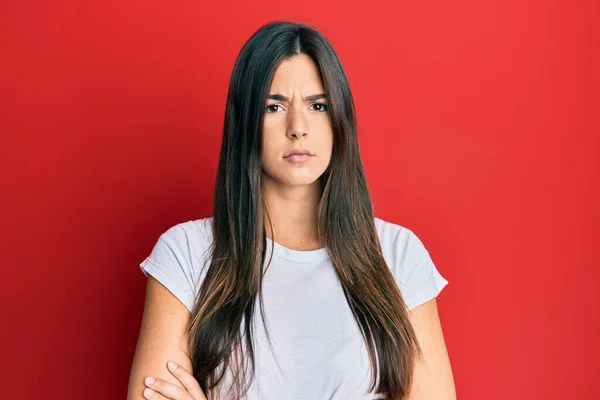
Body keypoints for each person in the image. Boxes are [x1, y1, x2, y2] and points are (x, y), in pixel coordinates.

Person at [127, 20, 456, 400]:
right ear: (246, 121)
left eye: (318, 105)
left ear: (339, 121)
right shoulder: (184, 254)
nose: (297, 127)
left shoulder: (399, 256)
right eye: (273, 106)